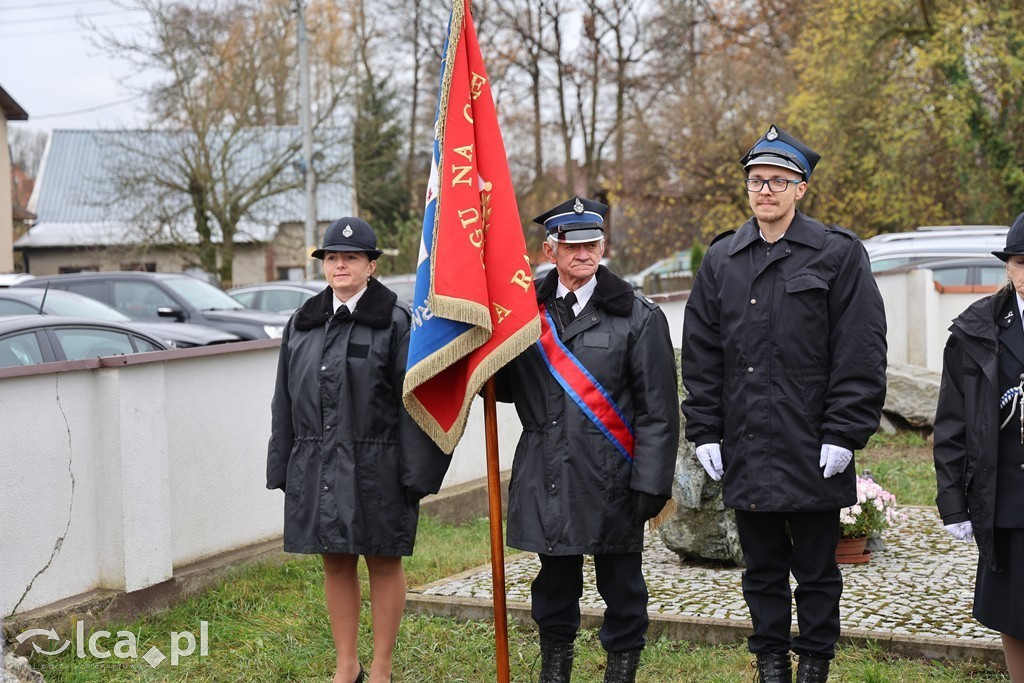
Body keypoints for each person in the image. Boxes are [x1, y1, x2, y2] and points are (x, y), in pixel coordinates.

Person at [681, 124, 887, 683]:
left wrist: (844, 431)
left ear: (801, 188)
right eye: (756, 180)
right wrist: (705, 430)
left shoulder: (837, 253)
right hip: (747, 442)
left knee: (817, 571)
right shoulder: (723, 258)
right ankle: (771, 664)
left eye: (778, 180)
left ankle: (815, 664)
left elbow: (861, 350)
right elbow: (702, 354)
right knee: (762, 570)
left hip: (812, 441)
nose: (765, 190)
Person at [495, 196, 680, 683]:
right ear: (549, 251)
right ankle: (555, 673)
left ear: (603, 246)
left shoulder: (638, 315)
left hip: (613, 478)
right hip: (547, 472)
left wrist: (652, 483)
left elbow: (659, 412)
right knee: (554, 589)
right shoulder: (522, 312)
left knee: (623, 591)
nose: (583, 254)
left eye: (592, 244)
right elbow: (505, 386)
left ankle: (620, 674)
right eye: (572, 246)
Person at [266, 217, 450, 683]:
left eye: (351, 257)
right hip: (319, 462)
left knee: (383, 560)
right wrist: (283, 466)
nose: (340, 265)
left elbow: (414, 403)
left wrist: (415, 474)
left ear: (372, 265)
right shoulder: (302, 322)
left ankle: (382, 669)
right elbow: (284, 400)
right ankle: (346, 667)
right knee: (335, 560)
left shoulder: (396, 322)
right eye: (332, 257)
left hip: (378, 465)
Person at [934, 213, 1024, 682]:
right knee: (1014, 609)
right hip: (1006, 497)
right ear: (1008, 266)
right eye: (1021, 262)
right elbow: (952, 422)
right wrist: (953, 502)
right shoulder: (977, 329)